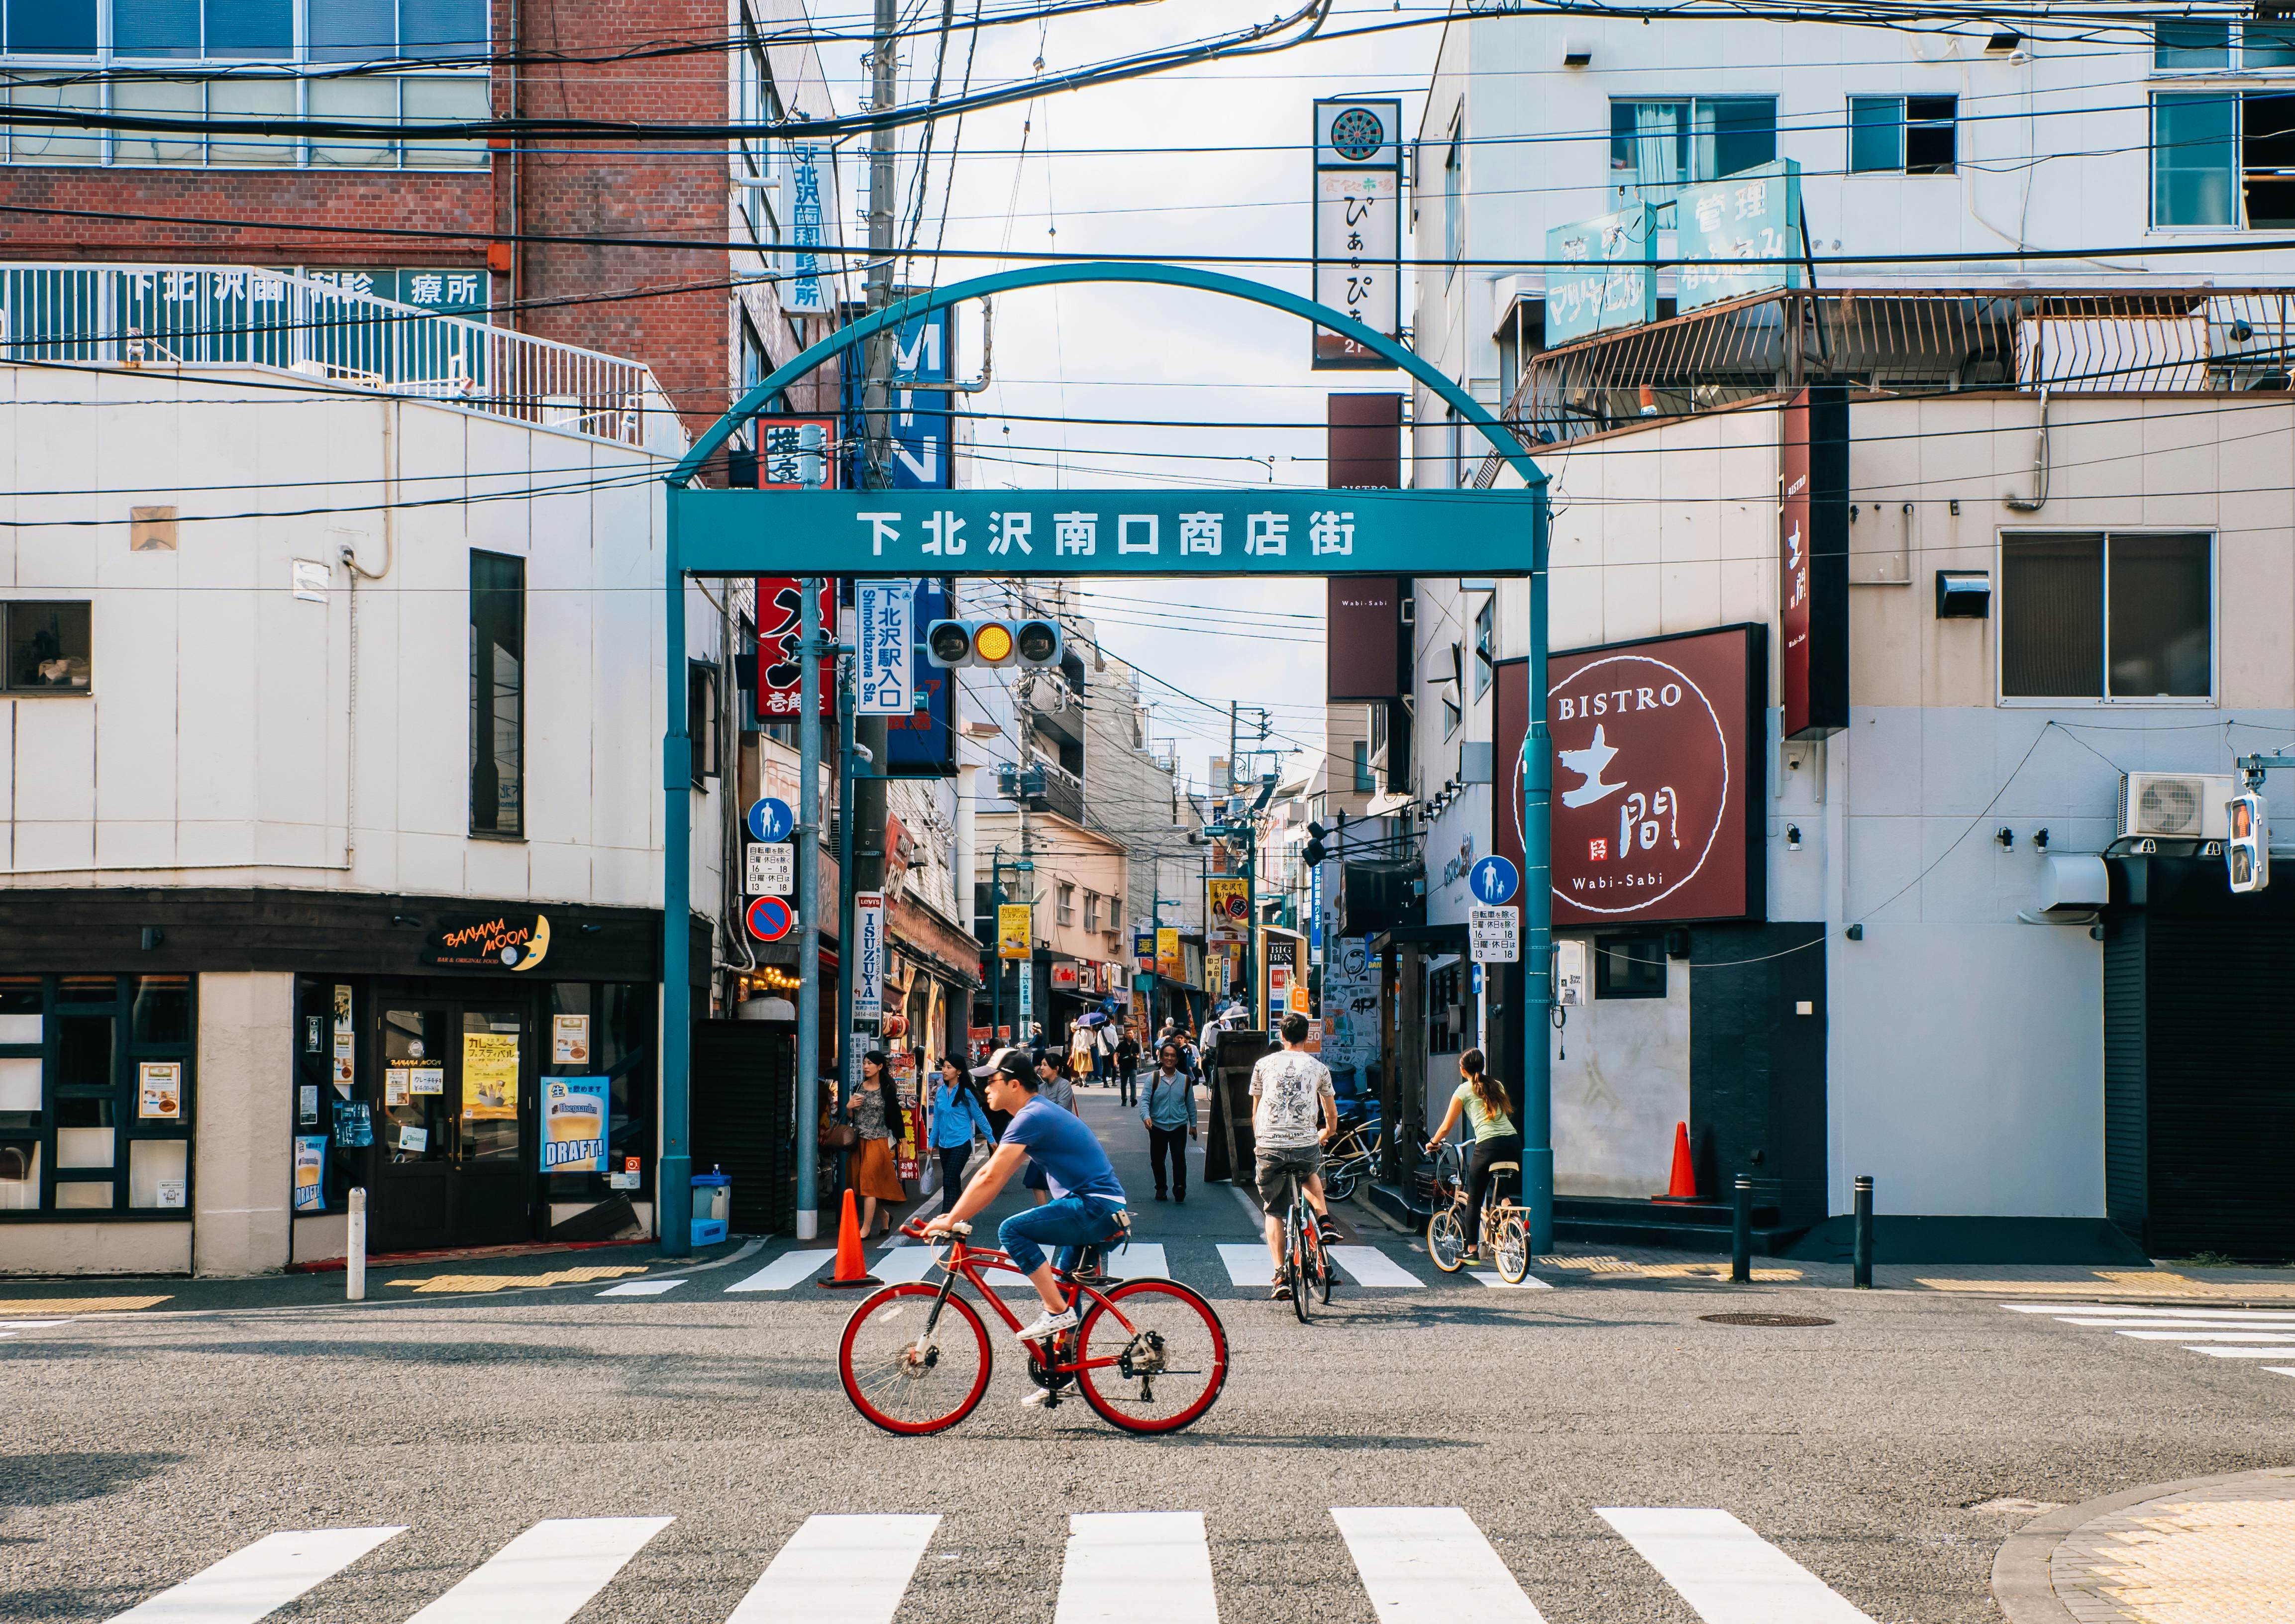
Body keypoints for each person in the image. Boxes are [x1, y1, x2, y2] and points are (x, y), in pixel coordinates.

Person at [926, 1054, 1129, 1345]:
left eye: (991, 1081)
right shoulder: (1034, 1114)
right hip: (1100, 1207)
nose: (985, 1089)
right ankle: (1062, 1375)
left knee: (1012, 1231)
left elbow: (989, 1177)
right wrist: (956, 1215)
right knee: (1065, 1291)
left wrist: (952, 1217)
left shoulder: (1031, 1116)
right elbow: (997, 1177)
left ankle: (1057, 1312)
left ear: (1015, 1084)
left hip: (1095, 1206)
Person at [1251, 1011, 1337, 1299]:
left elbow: (1256, 1112)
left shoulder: (1262, 1065)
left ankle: (1280, 1276)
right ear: (1307, 1036)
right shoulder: (1319, 1067)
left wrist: (1260, 1140)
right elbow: (1330, 1115)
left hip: (1269, 1145)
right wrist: (1324, 1134)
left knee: (1274, 1209)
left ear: (1282, 1036)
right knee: (1310, 1170)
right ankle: (1324, 1220)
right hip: (1304, 1143)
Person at [1425, 1047, 1521, 1264]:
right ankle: (1510, 1221)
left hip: (1489, 1145)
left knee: (1474, 1198)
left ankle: (1471, 1250)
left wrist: (1433, 1143)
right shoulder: (1497, 1085)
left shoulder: (1463, 1090)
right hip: (1513, 1143)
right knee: (1497, 1184)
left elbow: (1446, 1127)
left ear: (1463, 1069)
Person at [844, 1049, 907, 1239]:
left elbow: (895, 1116)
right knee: (864, 1184)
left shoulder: (887, 1089)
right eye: (864, 1063)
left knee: (869, 1185)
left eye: (870, 1063)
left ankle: (865, 1229)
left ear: (880, 1067)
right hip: (859, 1142)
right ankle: (885, 1217)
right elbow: (851, 1117)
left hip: (878, 1141)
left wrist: (902, 1140)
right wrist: (849, 1108)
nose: (866, 1067)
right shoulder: (858, 1088)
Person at [928, 1055, 996, 1212]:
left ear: (958, 1072)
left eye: (949, 1067)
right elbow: (937, 1118)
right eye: (944, 1067)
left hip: (961, 1143)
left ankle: (945, 1217)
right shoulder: (940, 1091)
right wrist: (932, 1142)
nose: (945, 1071)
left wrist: (990, 1137)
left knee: (949, 1179)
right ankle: (963, 1215)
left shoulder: (966, 1093)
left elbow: (979, 1116)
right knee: (953, 1182)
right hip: (945, 1144)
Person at [1140, 1041, 1198, 1203]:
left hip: (1179, 1125)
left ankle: (1180, 1187)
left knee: (1179, 1157)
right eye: (1167, 1055)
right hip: (1157, 1126)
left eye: (1173, 1055)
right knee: (1157, 1160)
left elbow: (1190, 1105)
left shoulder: (1185, 1080)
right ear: (1161, 1057)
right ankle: (1161, 1187)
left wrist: (1193, 1125)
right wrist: (1146, 1117)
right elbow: (1144, 1101)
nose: (1170, 1058)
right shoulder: (1154, 1079)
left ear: (1177, 1059)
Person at [1022, 1053, 1079, 1204]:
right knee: (1035, 1179)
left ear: (1056, 1069)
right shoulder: (1041, 1088)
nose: (1042, 1068)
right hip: (1043, 1141)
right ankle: (1045, 1212)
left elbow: (1060, 1111)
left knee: (1061, 1181)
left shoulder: (1064, 1085)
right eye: (1041, 1064)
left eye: (1045, 1065)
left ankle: (1063, 1212)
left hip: (1060, 1140)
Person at [1114, 1028, 1142, 1107]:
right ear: (1125, 1035)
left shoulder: (1136, 1045)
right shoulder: (1121, 1044)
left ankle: (1133, 1099)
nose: (1130, 1035)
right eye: (1128, 1033)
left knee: (1133, 1084)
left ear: (1134, 1035)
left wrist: (1136, 1056)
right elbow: (1116, 1053)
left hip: (1133, 1066)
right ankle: (1124, 1099)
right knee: (1124, 1084)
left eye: (1131, 1033)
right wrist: (1115, 1061)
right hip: (1124, 1067)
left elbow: (1139, 1054)